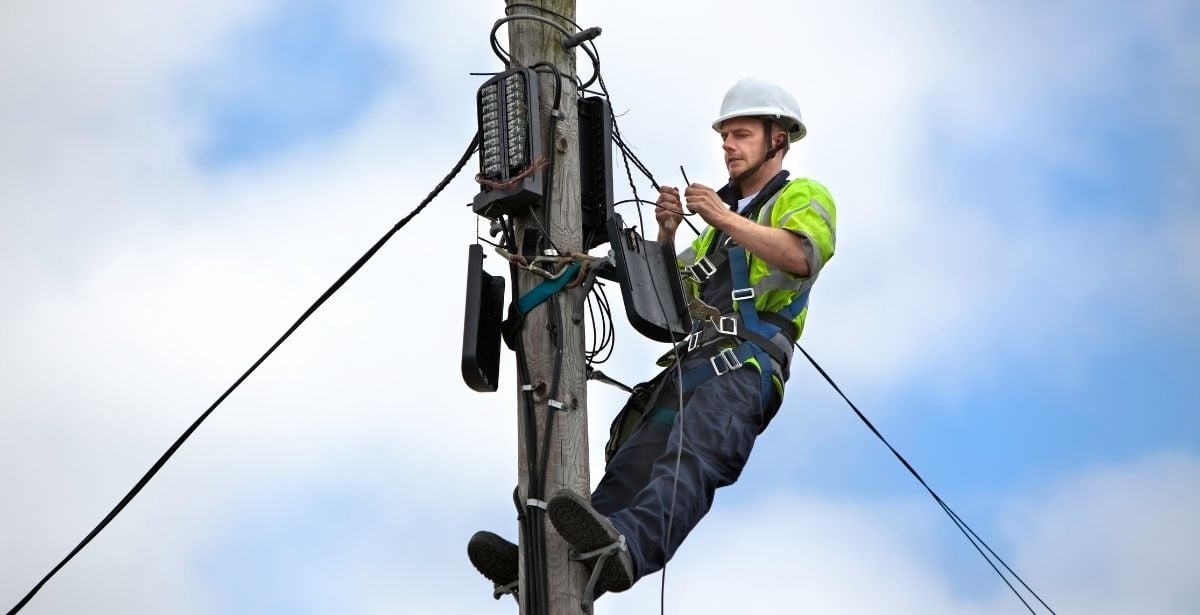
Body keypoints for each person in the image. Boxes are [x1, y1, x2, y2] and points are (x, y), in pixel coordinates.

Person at [468, 77, 838, 601]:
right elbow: (671, 305)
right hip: (690, 368)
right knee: (627, 469)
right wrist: (666, 235)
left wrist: (724, 216)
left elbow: (802, 256)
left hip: (743, 371)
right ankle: (545, 568)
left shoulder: (800, 196)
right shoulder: (716, 226)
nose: (729, 145)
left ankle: (629, 551)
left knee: (686, 464)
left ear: (778, 140)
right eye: (725, 136)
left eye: (742, 134)